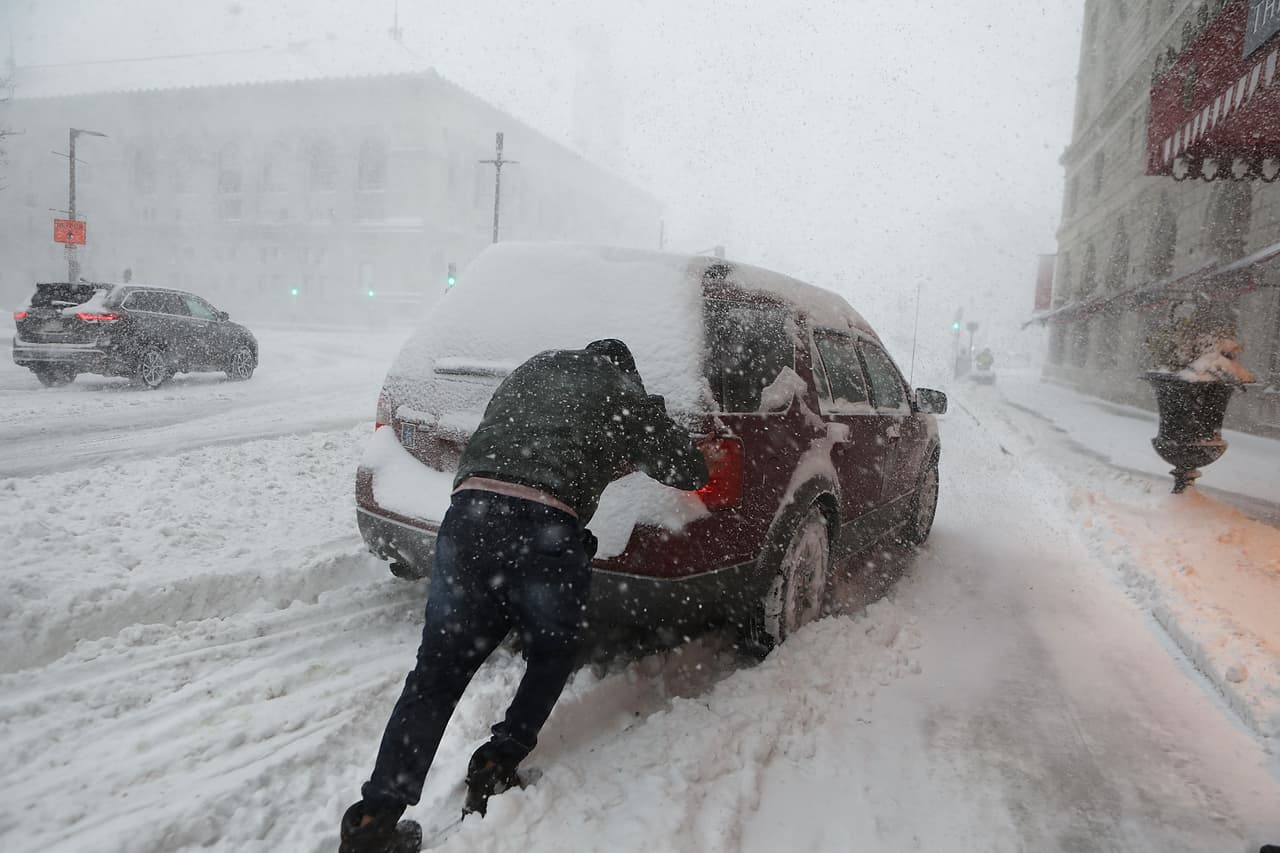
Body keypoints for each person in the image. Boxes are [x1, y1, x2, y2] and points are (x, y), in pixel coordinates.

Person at [339, 338, 709, 853]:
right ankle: (496, 763)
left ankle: (373, 820)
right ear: (627, 372)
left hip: (468, 519)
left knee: (437, 672)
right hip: (544, 531)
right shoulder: (624, 393)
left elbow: (508, 440)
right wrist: (652, 418)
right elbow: (690, 471)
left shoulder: (531, 371)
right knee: (552, 652)